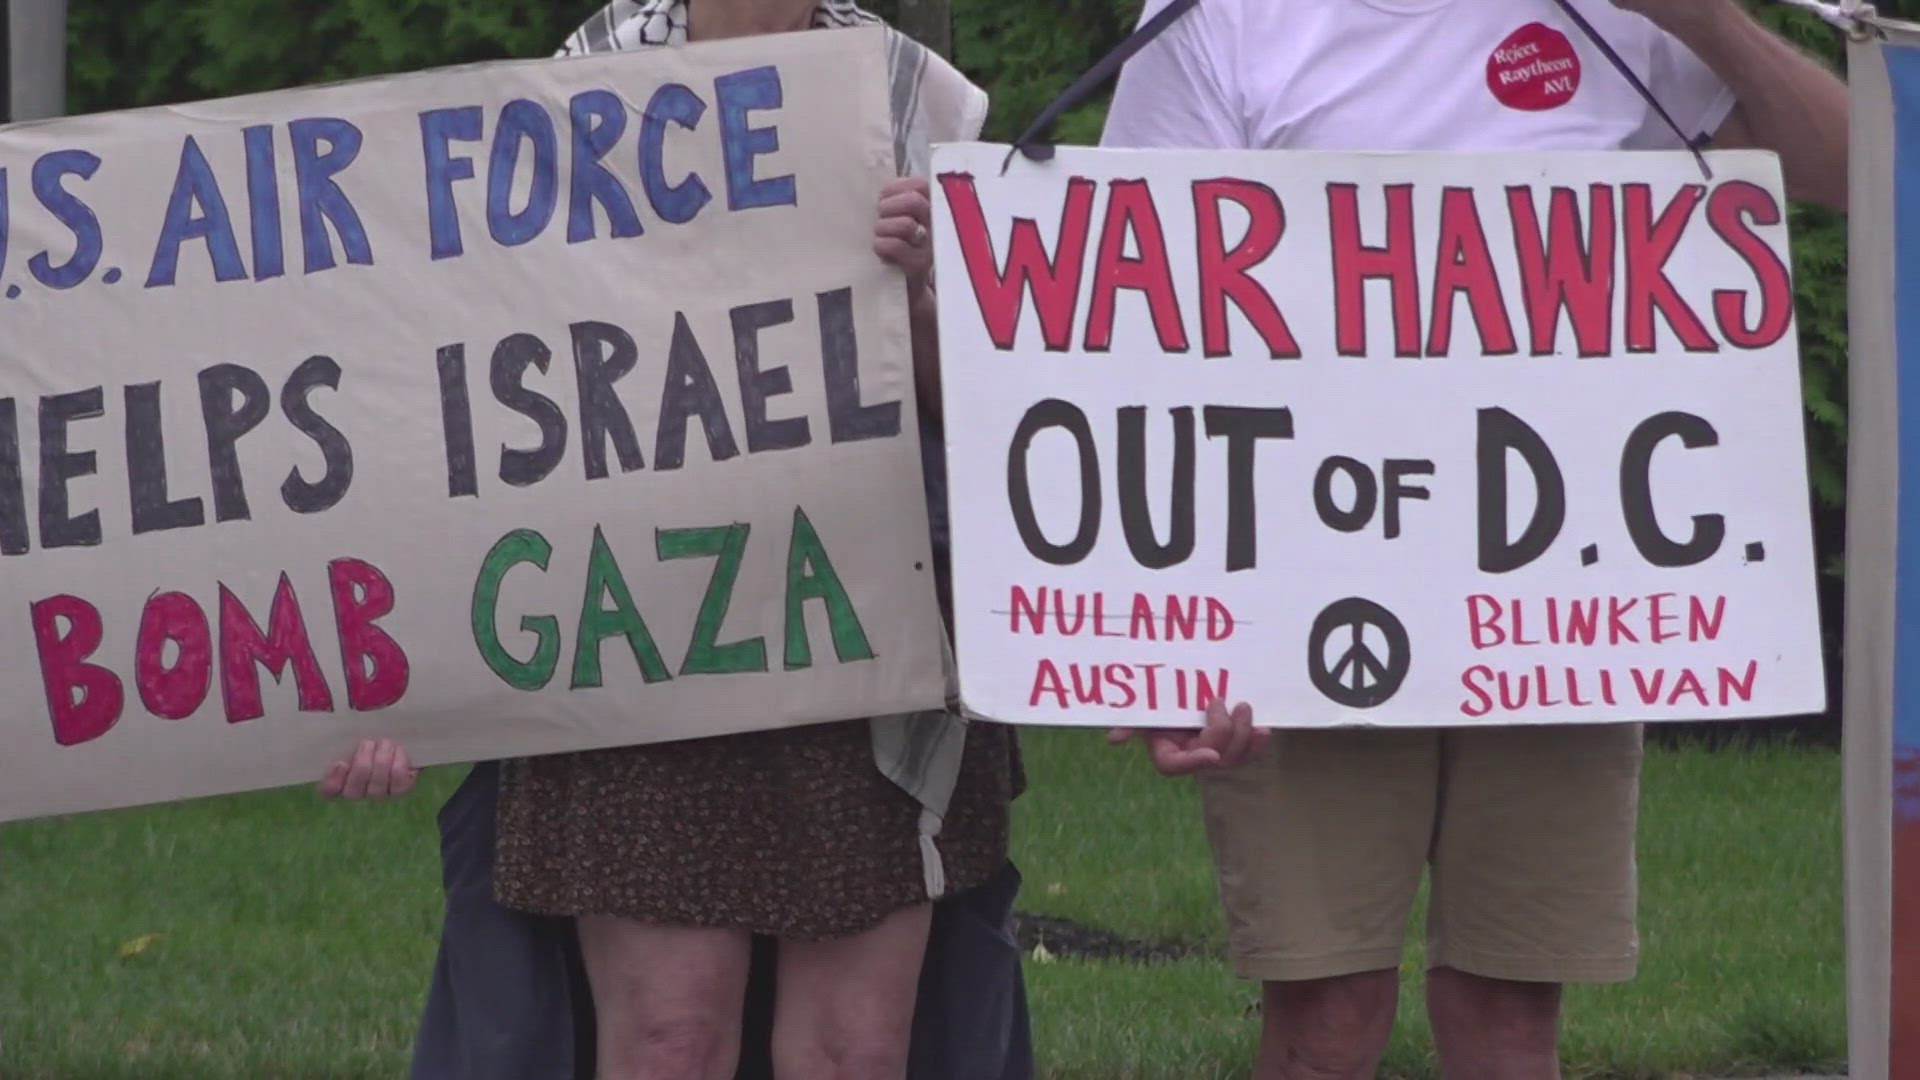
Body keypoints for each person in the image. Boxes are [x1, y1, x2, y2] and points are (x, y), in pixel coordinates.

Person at [1099, 1, 1847, 1077]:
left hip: (1554, 589)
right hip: (1304, 586)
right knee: (1324, 1012)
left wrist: (1706, 21)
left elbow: (1858, 169)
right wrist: (1154, 639)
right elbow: (1122, 311)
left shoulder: (1618, 19)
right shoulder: (1224, 18)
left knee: (1510, 1012)